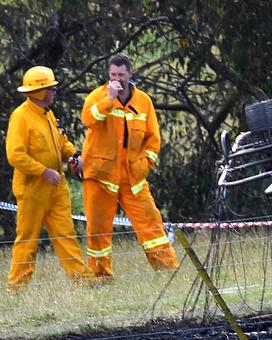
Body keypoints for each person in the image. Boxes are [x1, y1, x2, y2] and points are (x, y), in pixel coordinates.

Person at [80, 53, 179, 280]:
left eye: (121, 75)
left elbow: (153, 139)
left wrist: (145, 164)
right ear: (108, 74)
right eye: (113, 74)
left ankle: (167, 270)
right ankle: (100, 276)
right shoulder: (98, 96)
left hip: (133, 177)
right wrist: (109, 99)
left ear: (130, 74)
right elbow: (88, 119)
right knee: (97, 231)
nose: (117, 79)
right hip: (100, 176)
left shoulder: (143, 101)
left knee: (152, 226)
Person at [5, 66, 96, 291]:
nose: (54, 91)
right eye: (50, 88)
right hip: (32, 189)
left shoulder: (48, 114)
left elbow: (61, 141)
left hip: (57, 187)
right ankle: (17, 286)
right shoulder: (21, 117)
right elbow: (15, 155)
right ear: (38, 91)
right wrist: (43, 171)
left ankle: (82, 279)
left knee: (66, 234)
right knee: (27, 239)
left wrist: (74, 155)